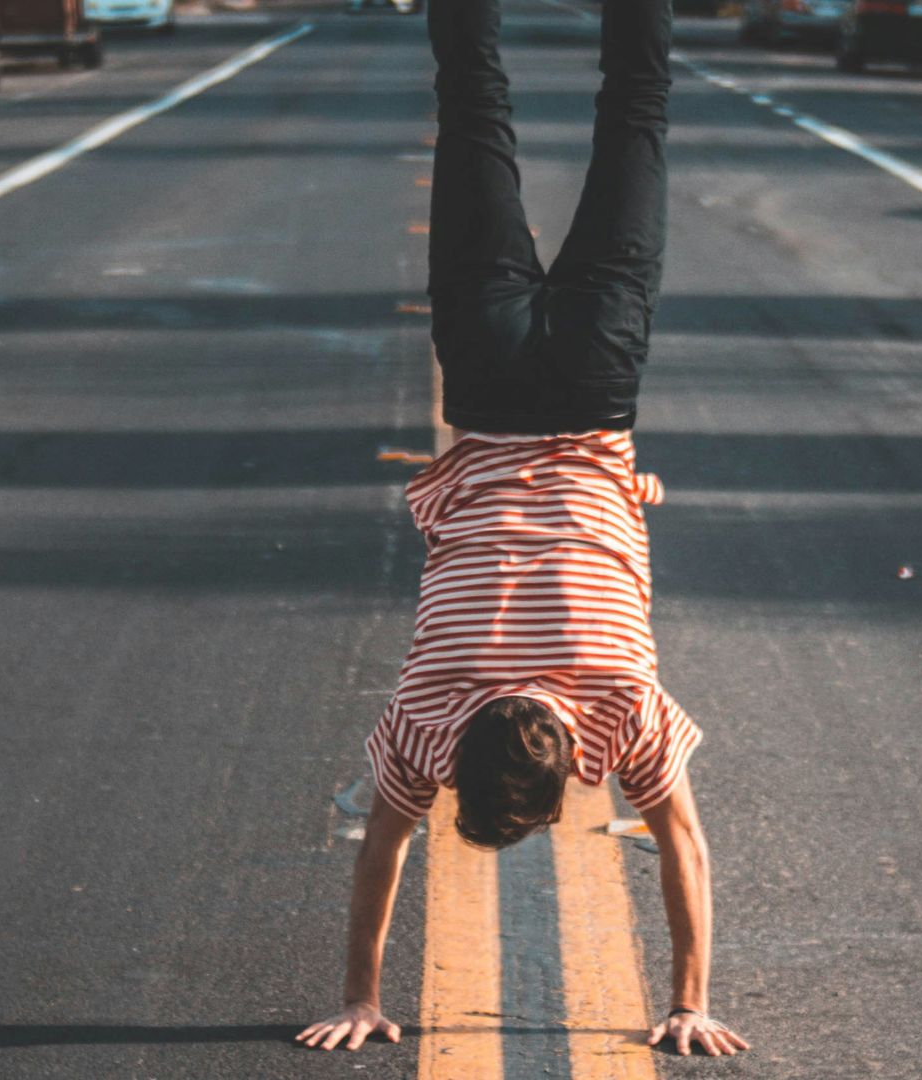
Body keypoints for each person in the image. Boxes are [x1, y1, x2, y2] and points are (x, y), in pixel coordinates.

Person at [298, 0, 749, 1059]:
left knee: (634, 115)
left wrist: (692, 1000)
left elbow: (682, 839)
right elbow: (384, 850)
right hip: (492, 389)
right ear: (468, 743)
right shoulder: (428, 709)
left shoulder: (622, 707)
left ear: (571, 773)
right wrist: (359, 992)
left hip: (595, 390)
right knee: (473, 111)